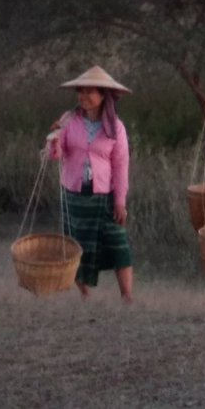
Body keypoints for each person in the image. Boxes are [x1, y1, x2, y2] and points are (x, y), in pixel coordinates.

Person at [47, 65, 134, 302]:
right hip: (75, 193)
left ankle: (127, 296)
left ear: (103, 95)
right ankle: (85, 294)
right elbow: (54, 156)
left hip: (104, 195)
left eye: (90, 92)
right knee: (75, 246)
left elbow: (120, 167)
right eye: (81, 92)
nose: (84, 97)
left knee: (118, 244)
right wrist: (53, 138)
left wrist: (120, 202)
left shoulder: (116, 127)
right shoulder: (68, 120)